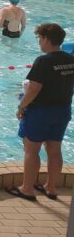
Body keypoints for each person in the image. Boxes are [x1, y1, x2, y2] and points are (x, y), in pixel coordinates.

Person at [9, 23, 74, 202]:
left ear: (46, 39)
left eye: (39, 38)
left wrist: (21, 106)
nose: (39, 42)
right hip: (62, 110)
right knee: (54, 150)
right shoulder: (70, 60)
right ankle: (51, 188)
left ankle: (27, 189)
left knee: (32, 150)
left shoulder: (43, 61)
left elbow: (34, 89)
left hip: (40, 112)